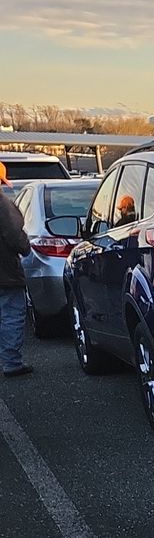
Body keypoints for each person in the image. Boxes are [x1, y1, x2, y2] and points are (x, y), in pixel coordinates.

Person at [0, 162, 34, 378]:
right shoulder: (2, 204)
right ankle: (12, 363)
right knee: (11, 314)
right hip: (4, 271)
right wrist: (26, 248)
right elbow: (14, 234)